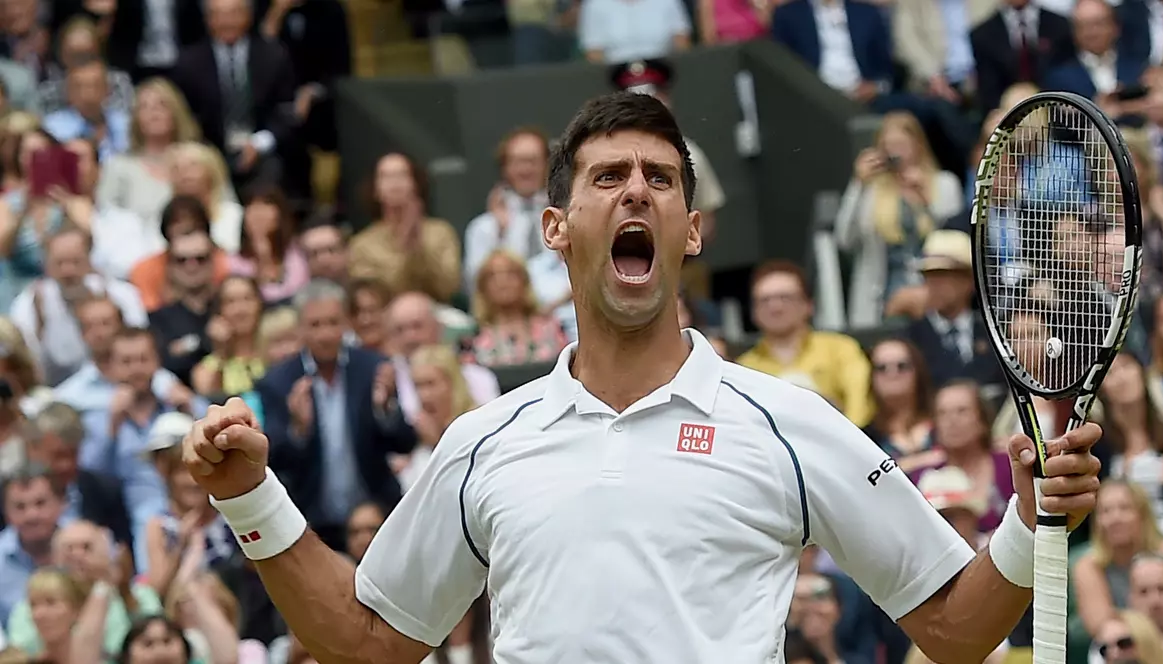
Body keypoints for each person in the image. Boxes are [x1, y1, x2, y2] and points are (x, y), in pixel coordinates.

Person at [182, 92, 1104, 663]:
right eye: (608, 176)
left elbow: (953, 629)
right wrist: (250, 496)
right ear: (555, 227)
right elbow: (366, 643)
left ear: (692, 231)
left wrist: (1030, 519)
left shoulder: (785, 421)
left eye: (661, 179)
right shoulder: (482, 443)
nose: (635, 192)